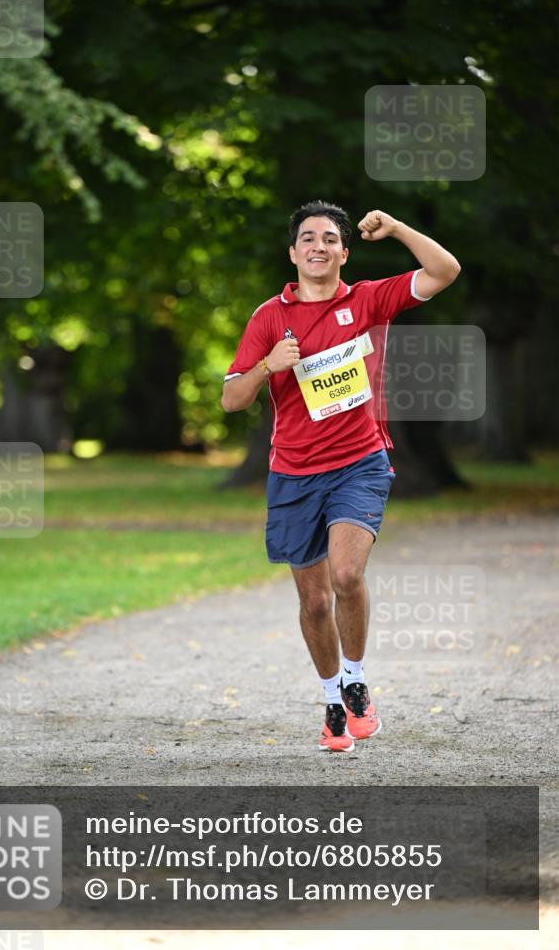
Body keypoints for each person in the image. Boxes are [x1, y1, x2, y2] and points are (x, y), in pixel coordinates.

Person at [221, 201, 460, 753]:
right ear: (293, 253)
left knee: (347, 576)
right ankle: (332, 700)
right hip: (294, 473)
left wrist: (397, 228)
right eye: (308, 238)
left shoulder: (369, 299)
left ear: (343, 253)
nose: (318, 246)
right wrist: (267, 366)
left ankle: (355, 682)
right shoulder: (268, 318)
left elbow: (445, 271)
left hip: (360, 462)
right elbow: (232, 399)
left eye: (330, 239)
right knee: (313, 604)